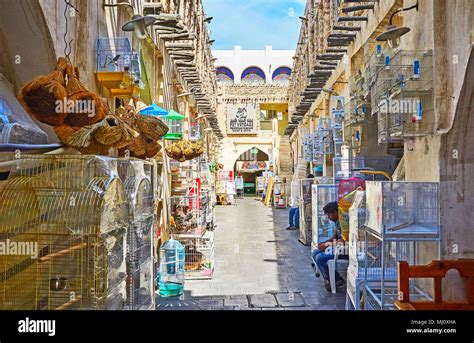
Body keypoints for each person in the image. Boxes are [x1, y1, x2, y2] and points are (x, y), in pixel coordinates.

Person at [311, 201, 348, 292]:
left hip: (345, 250)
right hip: (337, 247)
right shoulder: (337, 222)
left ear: (335, 213)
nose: (328, 217)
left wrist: (327, 245)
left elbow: (344, 241)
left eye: (329, 215)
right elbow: (335, 236)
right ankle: (332, 279)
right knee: (315, 252)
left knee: (320, 257)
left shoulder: (344, 222)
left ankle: (334, 280)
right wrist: (324, 243)